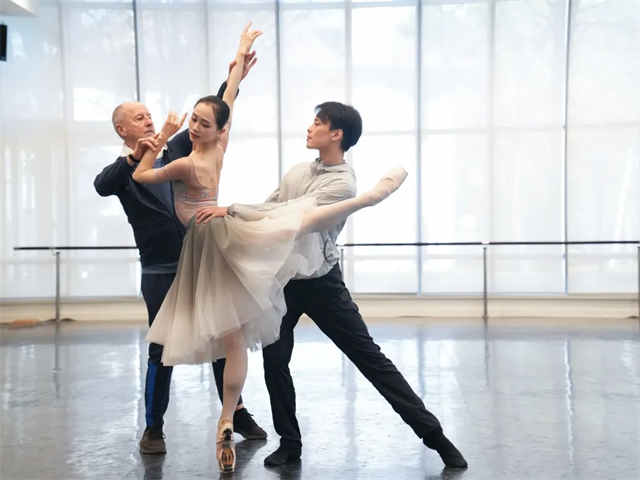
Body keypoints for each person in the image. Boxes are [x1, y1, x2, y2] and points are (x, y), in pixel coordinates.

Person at [132, 23, 409, 473]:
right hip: (223, 237)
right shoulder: (218, 147)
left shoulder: (185, 162)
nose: (195, 126)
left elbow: (142, 175)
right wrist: (238, 62)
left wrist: (161, 137)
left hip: (202, 244)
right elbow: (227, 101)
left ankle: (207, 419)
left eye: (200, 122)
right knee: (233, 338)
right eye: (195, 121)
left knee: (192, 331)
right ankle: (227, 415)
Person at [248, 101, 468, 470]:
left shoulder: (343, 183)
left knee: (369, 358)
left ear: (336, 134)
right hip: (285, 280)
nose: (310, 128)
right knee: (274, 361)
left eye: (318, 122)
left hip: (322, 283)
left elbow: (296, 219)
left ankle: (436, 438)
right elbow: (267, 209)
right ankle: (290, 443)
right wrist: (231, 212)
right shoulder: (297, 172)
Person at [93, 50, 266, 457]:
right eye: (139, 118)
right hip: (160, 269)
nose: (148, 121)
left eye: (149, 116)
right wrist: (136, 156)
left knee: (222, 336)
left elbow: (212, 117)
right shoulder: (124, 170)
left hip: (201, 262)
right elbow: (102, 184)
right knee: (162, 348)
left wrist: (234, 77)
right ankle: (154, 428)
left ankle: (236, 413)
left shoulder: (175, 151)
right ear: (122, 129)